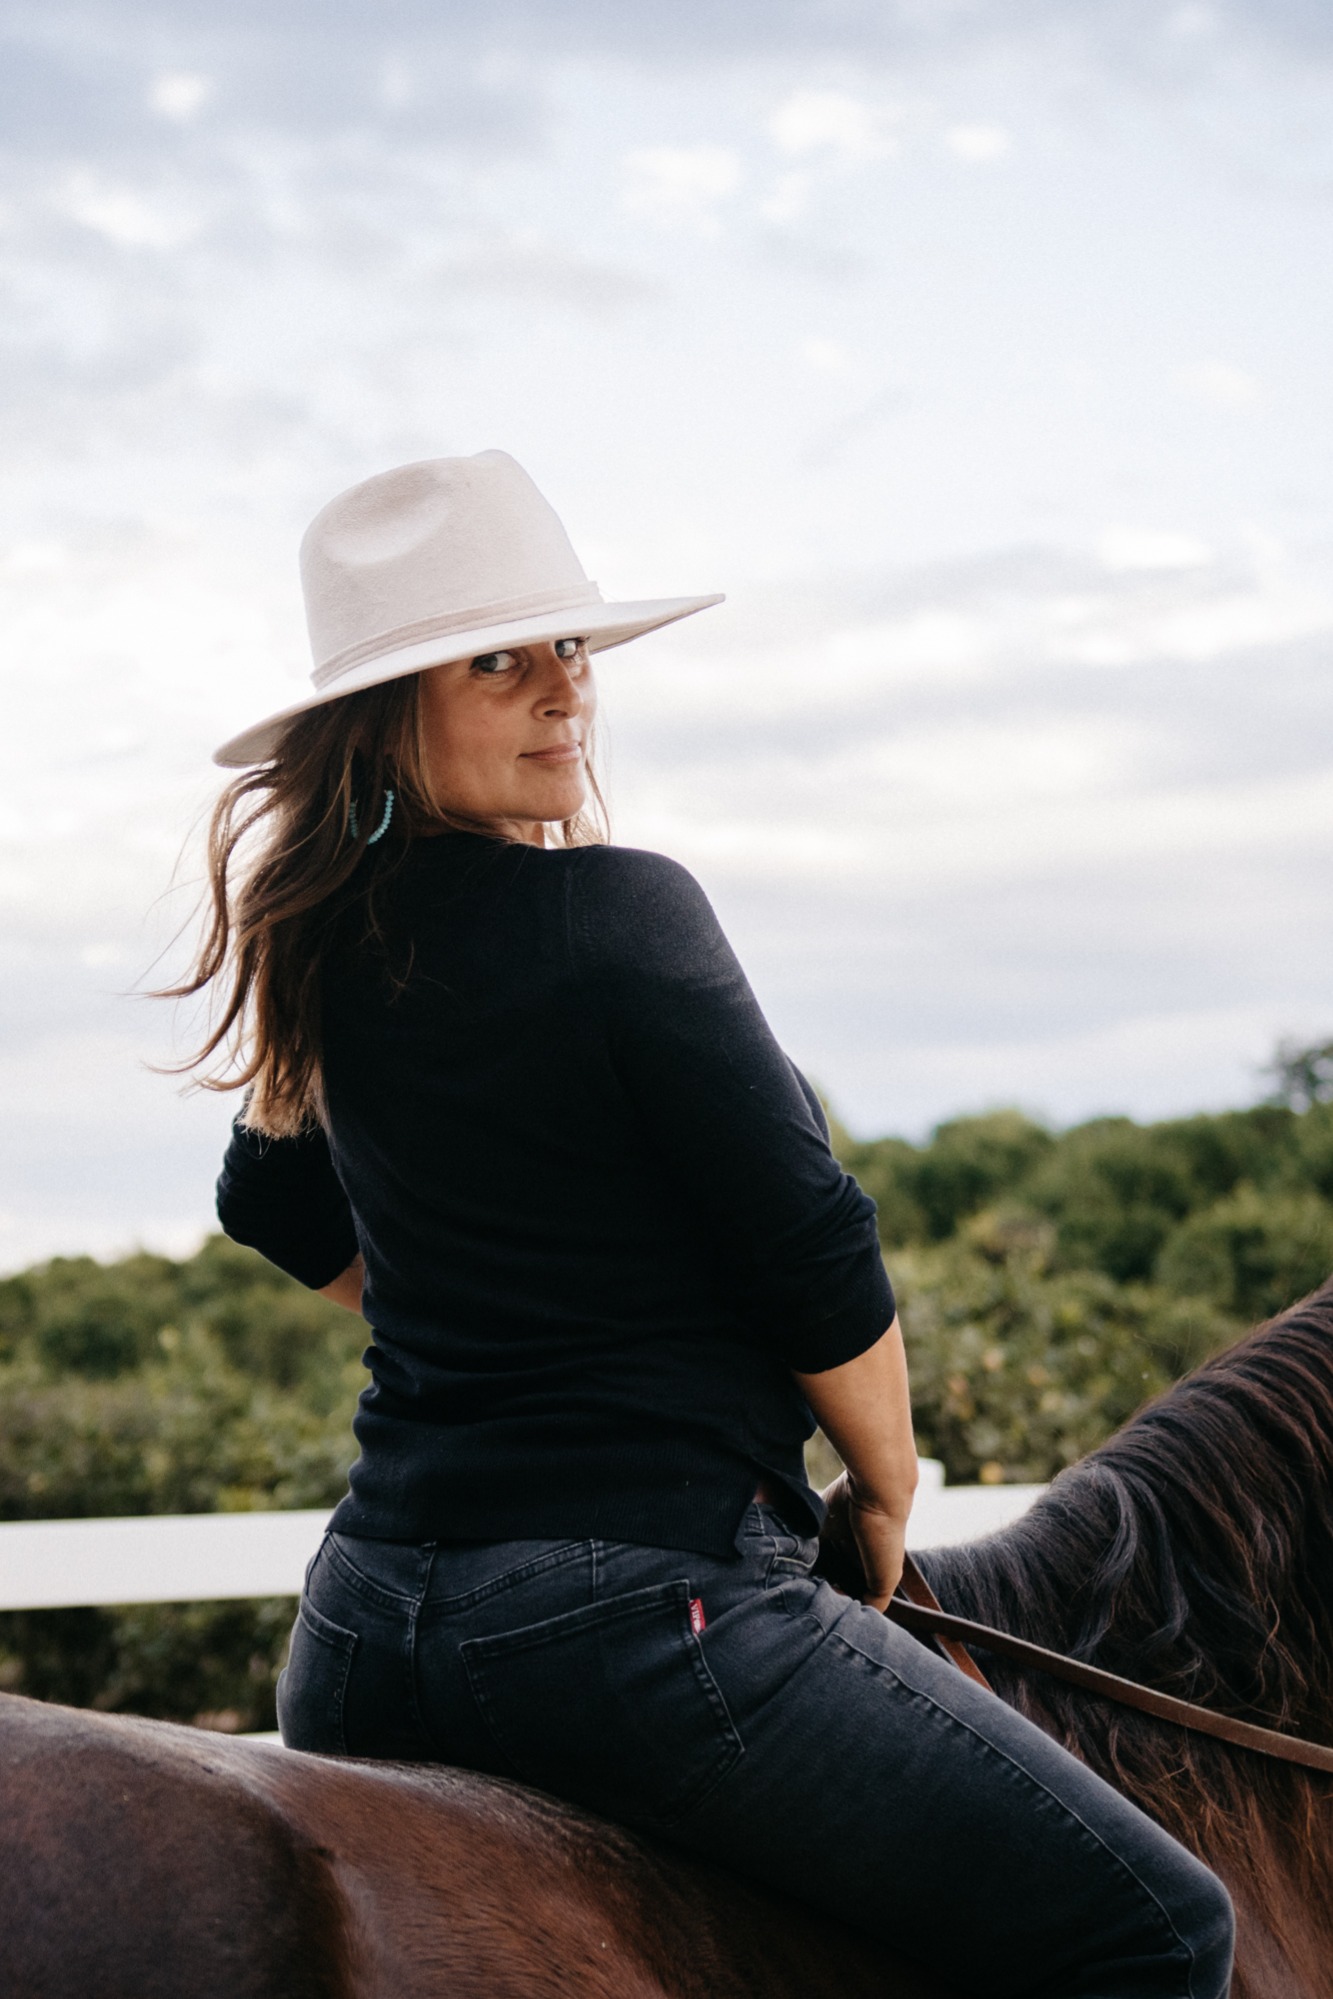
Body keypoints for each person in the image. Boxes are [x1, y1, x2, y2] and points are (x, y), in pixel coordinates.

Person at [183, 450, 1233, 1998]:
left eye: (573, 652)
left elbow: (264, 1198)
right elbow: (807, 1240)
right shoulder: (619, 911)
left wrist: (471, 1309)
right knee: (1156, 1933)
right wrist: (882, 1491)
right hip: (637, 1622)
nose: (565, 692)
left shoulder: (328, 949)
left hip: (364, 1629)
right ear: (390, 714)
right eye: (501, 662)